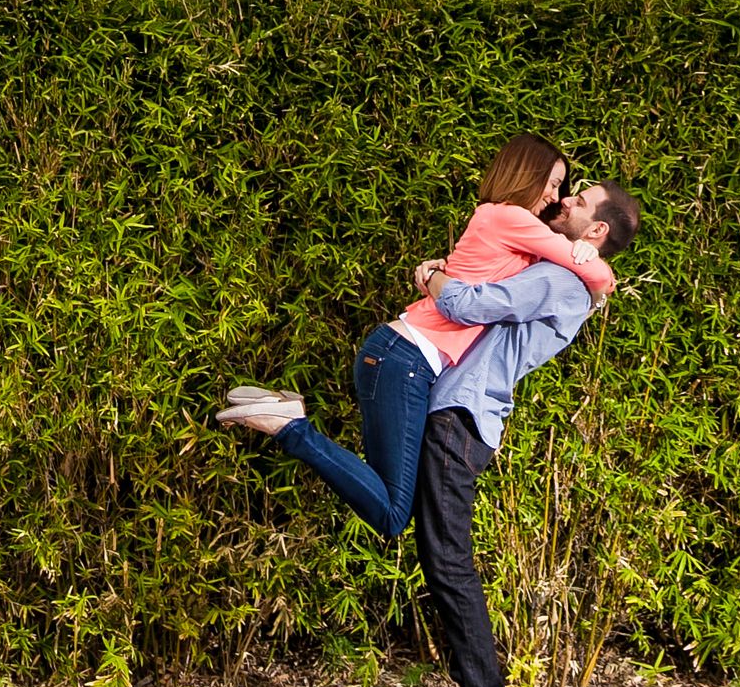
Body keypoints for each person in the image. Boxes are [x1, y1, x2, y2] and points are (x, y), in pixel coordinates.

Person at [215, 134, 614, 539]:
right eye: (552, 182)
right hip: (407, 358)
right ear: (526, 174)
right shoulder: (513, 219)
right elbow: (600, 279)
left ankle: (288, 419)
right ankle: (291, 425)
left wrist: (436, 273)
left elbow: (479, 282)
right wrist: (593, 263)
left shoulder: (501, 220)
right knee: (391, 515)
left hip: (399, 356)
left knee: (390, 505)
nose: (555, 195)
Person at [406, 180, 643, 687]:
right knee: (443, 558)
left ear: (598, 230)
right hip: (460, 414)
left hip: (461, 419)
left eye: (578, 201)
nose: (564, 202)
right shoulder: (562, 268)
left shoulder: (559, 279)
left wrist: (430, 276)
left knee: (447, 561)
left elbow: (469, 303)